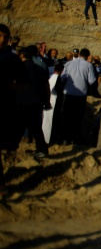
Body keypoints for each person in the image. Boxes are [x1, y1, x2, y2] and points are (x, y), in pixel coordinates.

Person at [0, 24, 26, 191]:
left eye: (5, 37)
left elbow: (23, 81)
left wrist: (11, 88)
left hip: (4, 104)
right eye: (0, 36)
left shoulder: (12, 58)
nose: (2, 40)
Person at [18, 47, 50, 159]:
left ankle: (11, 148)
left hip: (22, 101)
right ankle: (42, 149)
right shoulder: (40, 68)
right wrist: (47, 101)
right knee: (36, 127)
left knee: (18, 125)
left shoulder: (19, 68)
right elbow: (46, 86)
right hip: (36, 102)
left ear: (22, 55)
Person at [61, 47, 97, 145]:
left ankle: (65, 138)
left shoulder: (68, 63)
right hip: (80, 95)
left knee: (66, 116)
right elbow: (91, 81)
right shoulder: (89, 65)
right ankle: (75, 139)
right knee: (77, 118)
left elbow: (62, 77)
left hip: (68, 93)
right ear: (88, 56)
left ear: (79, 54)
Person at [43, 62, 64, 144]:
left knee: (46, 120)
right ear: (62, 71)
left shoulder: (51, 77)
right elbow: (58, 90)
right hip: (54, 102)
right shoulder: (58, 79)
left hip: (48, 101)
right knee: (52, 121)